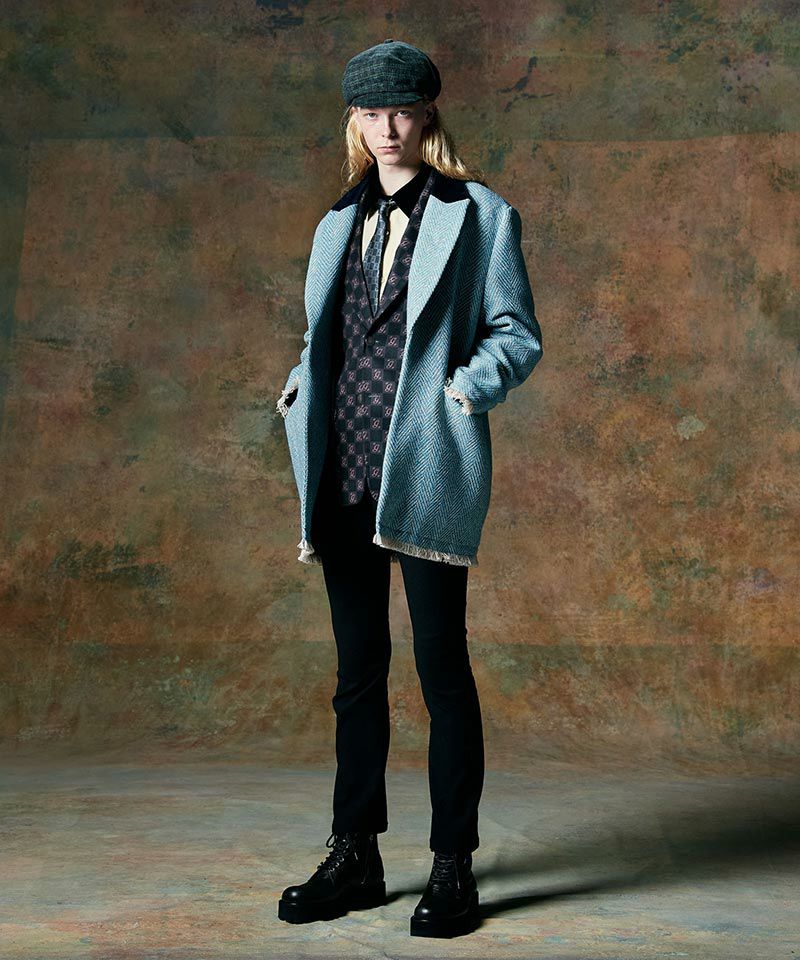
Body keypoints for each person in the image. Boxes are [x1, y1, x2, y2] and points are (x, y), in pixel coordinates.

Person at [276, 39, 543, 939]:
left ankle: (453, 864)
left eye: (401, 110)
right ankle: (356, 854)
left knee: (441, 669)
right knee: (358, 675)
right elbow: (326, 337)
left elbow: (516, 332)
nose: (386, 128)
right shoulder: (334, 225)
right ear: (353, 121)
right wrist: (299, 390)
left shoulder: (480, 215)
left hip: (426, 466)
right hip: (340, 468)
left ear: (428, 113)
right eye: (370, 112)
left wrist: (465, 391)